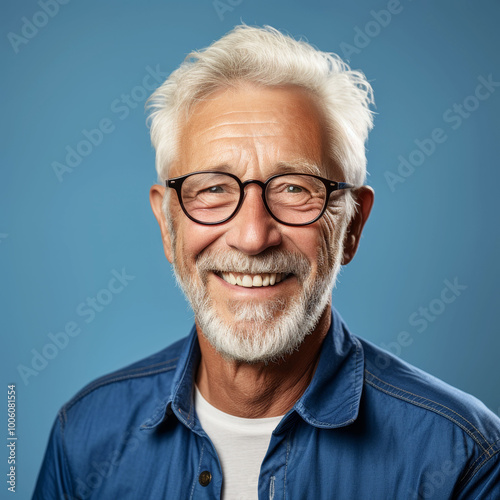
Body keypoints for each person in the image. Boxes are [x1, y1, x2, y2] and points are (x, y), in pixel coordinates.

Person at [34, 25, 500, 500]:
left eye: (295, 188)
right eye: (213, 188)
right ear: (166, 224)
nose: (253, 237)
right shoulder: (85, 435)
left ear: (352, 226)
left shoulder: (466, 457)